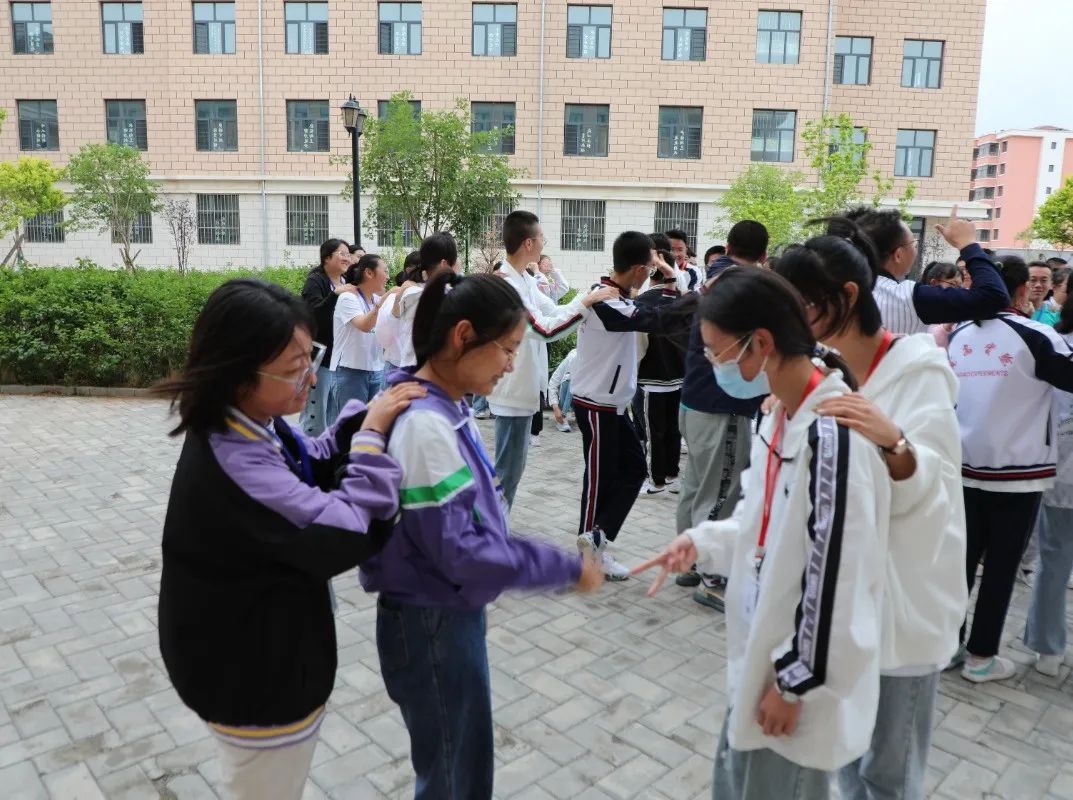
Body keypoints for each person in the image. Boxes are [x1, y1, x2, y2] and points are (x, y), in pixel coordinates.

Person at [153, 279, 424, 800]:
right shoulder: (236, 462)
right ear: (237, 376)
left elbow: (309, 462)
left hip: (246, 653)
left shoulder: (249, 424)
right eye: (295, 368)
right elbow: (345, 528)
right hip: (252, 683)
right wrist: (370, 443)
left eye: (311, 357)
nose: (311, 376)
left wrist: (359, 423)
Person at [634, 266, 891, 800]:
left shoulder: (831, 435)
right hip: (760, 657)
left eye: (716, 351)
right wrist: (701, 542)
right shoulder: (779, 417)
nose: (711, 363)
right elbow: (762, 522)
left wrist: (795, 680)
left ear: (762, 343)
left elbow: (838, 571)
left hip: (796, 684)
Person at [360, 271, 603, 800]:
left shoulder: (449, 406)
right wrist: (562, 567)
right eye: (507, 349)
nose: (513, 363)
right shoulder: (427, 425)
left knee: (460, 763)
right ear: (462, 336)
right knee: (453, 774)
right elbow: (460, 553)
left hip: (445, 614)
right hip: (432, 620)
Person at [776, 221, 968, 800]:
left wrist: (896, 444)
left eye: (800, 307)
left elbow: (935, 488)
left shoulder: (918, 372)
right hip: (844, 611)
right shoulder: (825, 374)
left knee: (888, 776)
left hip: (903, 612)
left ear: (848, 298)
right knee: (843, 763)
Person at [949, 258, 1073, 682]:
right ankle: (981, 657)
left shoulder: (959, 335)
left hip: (965, 467)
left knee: (960, 563)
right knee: (1001, 567)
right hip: (1017, 474)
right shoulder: (1036, 335)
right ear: (1022, 291)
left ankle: (948, 645)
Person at [571, 231, 689, 580]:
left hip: (614, 406)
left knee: (635, 471)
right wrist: (682, 292)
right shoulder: (602, 298)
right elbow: (652, 318)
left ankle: (596, 539)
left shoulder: (622, 296)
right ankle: (588, 555)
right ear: (639, 269)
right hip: (595, 405)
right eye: (651, 266)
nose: (652, 272)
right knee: (598, 480)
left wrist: (669, 276)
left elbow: (655, 309)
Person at [488, 210, 615, 508]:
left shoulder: (525, 279)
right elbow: (544, 329)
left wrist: (588, 295)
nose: (545, 243)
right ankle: (489, 537)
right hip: (512, 391)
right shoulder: (509, 284)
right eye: (542, 237)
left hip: (523, 389)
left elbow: (553, 312)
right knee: (506, 473)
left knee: (511, 472)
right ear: (529, 243)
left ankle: (492, 533)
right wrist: (587, 302)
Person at [676, 220, 769, 611]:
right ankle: (713, 578)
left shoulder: (711, 281)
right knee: (721, 492)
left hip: (694, 399)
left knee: (697, 486)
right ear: (764, 256)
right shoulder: (744, 289)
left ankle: (690, 562)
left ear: (728, 246)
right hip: (723, 404)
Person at [847, 206, 1008, 335]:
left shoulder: (836, 289)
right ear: (898, 255)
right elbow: (994, 297)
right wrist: (968, 245)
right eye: (914, 244)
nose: (916, 250)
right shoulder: (907, 298)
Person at [1024, 293, 1073, 676]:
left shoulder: (1052, 341)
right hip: (1063, 470)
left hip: (1062, 469)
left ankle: (1048, 650)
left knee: (1054, 558)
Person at [636, 248, 689, 497]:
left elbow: (639, 345)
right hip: (679, 374)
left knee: (653, 431)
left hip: (653, 376)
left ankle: (656, 481)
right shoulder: (681, 299)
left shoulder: (643, 302)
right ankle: (673, 475)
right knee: (673, 428)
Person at [329, 254, 399, 422]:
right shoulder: (348, 298)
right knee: (350, 428)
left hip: (376, 370)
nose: (388, 277)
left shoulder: (376, 299)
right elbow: (364, 325)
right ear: (369, 273)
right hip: (349, 371)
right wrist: (385, 299)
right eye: (386, 271)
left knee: (370, 425)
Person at [299, 239, 356, 436]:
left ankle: (327, 458)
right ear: (327, 258)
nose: (347, 258)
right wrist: (335, 295)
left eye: (348, 254)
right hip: (319, 357)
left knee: (333, 413)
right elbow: (312, 315)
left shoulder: (346, 283)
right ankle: (309, 458)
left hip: (339, 358)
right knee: (316, 414)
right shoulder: (316, 281)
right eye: (342, 253)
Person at [375, 250, 422, 373]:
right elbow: (384, 334)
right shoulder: (399, 295)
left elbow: (382, 335)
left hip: (400, 363)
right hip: (399, 365)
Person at [549, 347, 576, 433]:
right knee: (570, 380)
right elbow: (552, 384)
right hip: (569, 392)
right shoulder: (571, 358)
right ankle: (562, 417)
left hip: (582, 397)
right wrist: (555, 408)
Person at [1028, 261, 1060, 326]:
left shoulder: (1056, 315)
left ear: (1051, 284)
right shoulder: (1012, 312)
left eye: (1044, 280)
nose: (1038, 285)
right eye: (1033, 280)